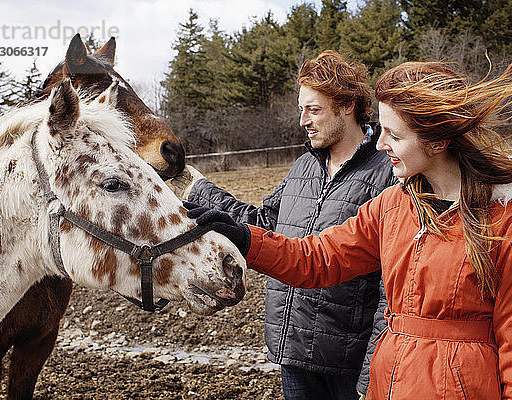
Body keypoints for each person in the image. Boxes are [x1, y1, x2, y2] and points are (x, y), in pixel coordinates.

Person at [185, 49, 512, 399]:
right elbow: (316, 259)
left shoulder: (511, 221)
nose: (381, 145)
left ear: (438, 140)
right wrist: (246, 239)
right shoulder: (392, 206)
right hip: (389, 383)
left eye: (394, 135)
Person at [170, 50, 396, 399]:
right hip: (293, 352)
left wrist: (372, 375)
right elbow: (263, 225)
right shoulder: (302, 168)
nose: (303, 120)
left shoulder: (388, 173)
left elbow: (391, 290)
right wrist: (200, 189)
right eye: (301, 108)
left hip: (348, 364)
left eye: (314, 109)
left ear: (348, 105)